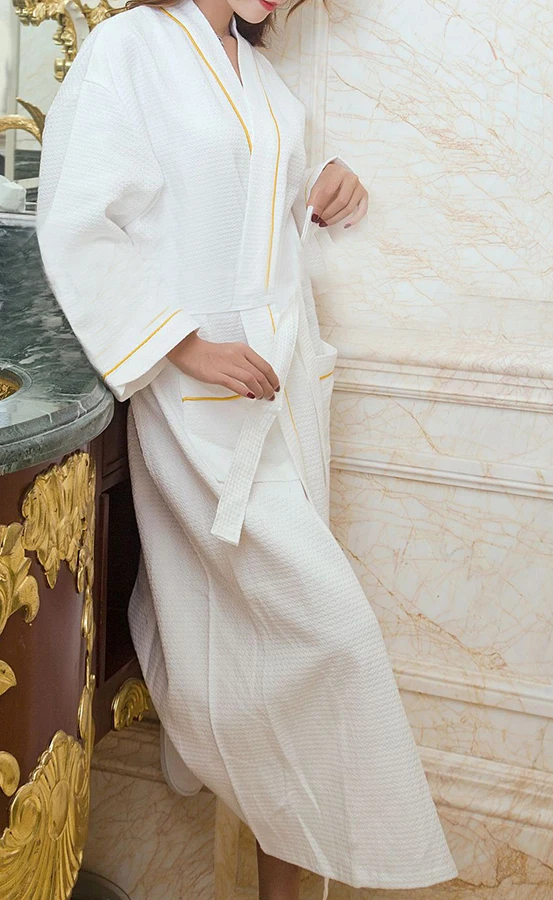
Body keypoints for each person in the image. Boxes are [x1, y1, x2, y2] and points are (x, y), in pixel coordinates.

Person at [36, 1, 458, 897]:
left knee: (284, 671)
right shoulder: (130, 48)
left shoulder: (265, 85)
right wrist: (182, 344)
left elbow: (258, 229)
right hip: (197, 410)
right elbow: (78, 220)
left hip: (279, 402)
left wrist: (326, 187)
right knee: (332, 635)